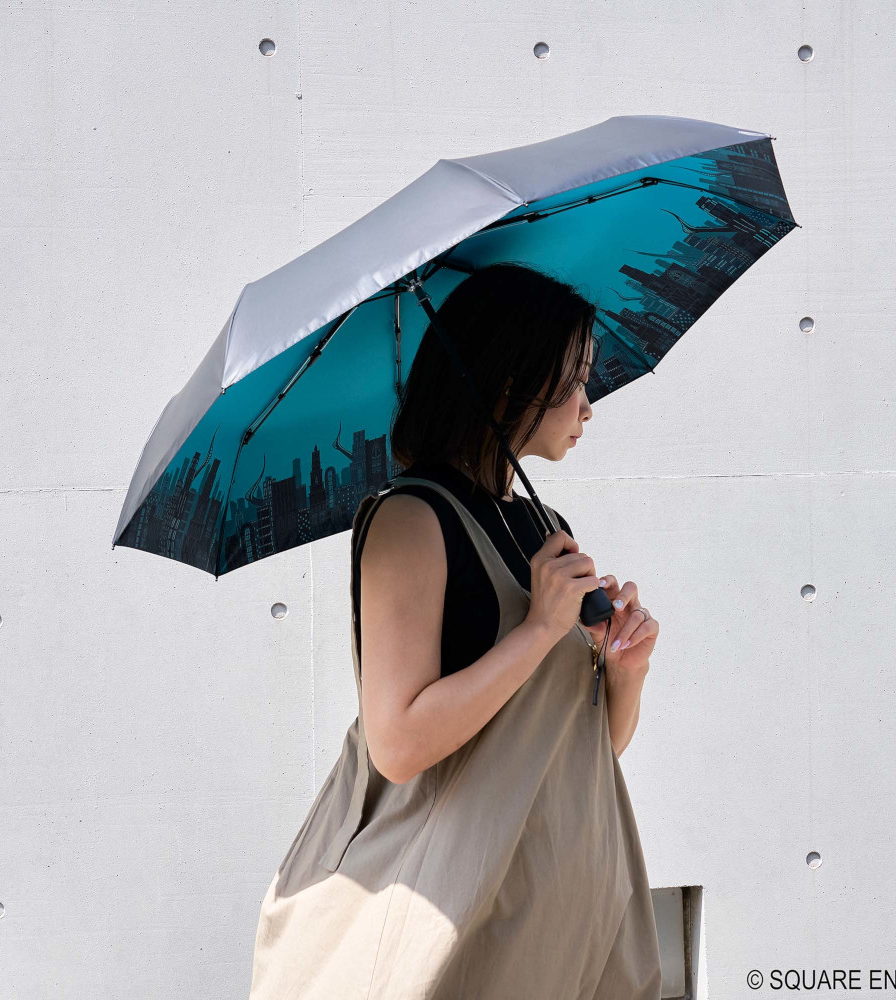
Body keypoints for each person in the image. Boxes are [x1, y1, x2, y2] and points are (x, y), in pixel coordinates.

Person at [248, 262, 663, 1000]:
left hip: (553, 926)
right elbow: (398, 744)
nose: (588, 406)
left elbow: (578, 749)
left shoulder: (544, 527)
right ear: (510, 384)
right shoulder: (412, 519)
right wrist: (539, 630)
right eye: (573, 382)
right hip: (454, 924)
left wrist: (623, 671)